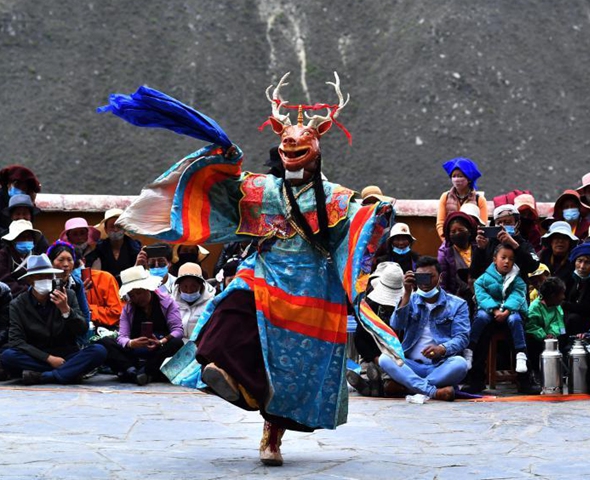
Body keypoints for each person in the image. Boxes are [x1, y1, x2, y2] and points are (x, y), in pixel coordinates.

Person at [101, 77, 399, 465]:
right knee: (227, 313)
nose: (292, 147)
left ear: (316, 148)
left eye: (301, 143)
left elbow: (357, 229)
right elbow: (223, 189)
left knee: (291, 367)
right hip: (262, 271)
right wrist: (222, 159)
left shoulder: (337, 198)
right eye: (287, 142)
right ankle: (222, 373)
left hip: (310, 287)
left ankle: (270, 436)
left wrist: (377, 213)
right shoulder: (262, 189)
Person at [0, 254, 106, 384]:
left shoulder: (68, 295)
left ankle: (45, 376)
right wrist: (49, 358)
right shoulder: (18, 304)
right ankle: (70, 372)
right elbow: (17, 341)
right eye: (40, 276)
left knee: (98, 351)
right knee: (8, 356)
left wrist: (66, 310)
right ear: (30, 280)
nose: (45, 279)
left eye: (49, 276)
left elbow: (82, 329)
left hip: (67, 354)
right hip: (37, 355)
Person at [377, 256, 469, 401]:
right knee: (385, 358)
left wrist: (442, 349)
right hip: (411, 364)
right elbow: (396, 325)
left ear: (440, 277)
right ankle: (434, 392)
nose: (425, 282)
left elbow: (462, 338)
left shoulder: (458, 304)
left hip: (440, 365)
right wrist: (406, 293)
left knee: (460, 364)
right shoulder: (409, 299)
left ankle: (409, 387)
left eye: (430, 277)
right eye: (421, 277)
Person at [99, 266, 184, 385]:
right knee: (104, 342)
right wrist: (131, 343)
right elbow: (122, 336)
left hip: (158, 351)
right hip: (134, 352)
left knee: (177, 343)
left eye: (139, 293)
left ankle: (138, 372)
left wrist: (161, 341)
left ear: (147, 288)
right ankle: (136, 373)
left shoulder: (168, 302)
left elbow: (178, 330)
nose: (137, 298)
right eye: (132, 295)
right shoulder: (128, 309)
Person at [346, 262, 405, 397]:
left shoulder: (406, 306)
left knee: (392, 383)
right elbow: (360, 338)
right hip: (371, 355)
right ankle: (371, 382)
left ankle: (373, 387)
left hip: (397, 357)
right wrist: (375, 358)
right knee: (368, 369)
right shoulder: (369, 307)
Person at [471, 244, 529, 377]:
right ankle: (470, 350)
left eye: (511, 259)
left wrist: (507, 311)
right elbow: (481, 295)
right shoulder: (484, 277)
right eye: (503, 257)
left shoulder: (517, 278)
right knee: (480, 318)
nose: (507, 261)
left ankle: (521, 355)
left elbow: (517, 295)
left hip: (510, 313)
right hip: (490, 312)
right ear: (494, 259)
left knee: (516, 320)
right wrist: (495, 310)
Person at [471, 205, 540, 281]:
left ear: (518, 223)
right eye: (499, 222)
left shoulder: (524, 245)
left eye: (507, 222)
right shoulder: (488, 243)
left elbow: (533, 267)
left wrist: (514, 245)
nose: (502, 226)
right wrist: (480, 249)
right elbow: (474, 273)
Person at [525, 277, 567, 390]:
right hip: (538, 339)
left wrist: (552, 334)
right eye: (561, 294)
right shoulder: (535, 307)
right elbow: (532, 326)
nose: (563, 297)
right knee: (533, 345)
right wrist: (543, 335)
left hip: (552, 338)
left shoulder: (557, 307)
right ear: (552, 296)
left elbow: (558, 323)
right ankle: (536, 372)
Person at [47, 241, 92, 337]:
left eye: (69, 260)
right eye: (61, 260)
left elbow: (85, 315)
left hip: (73, 331)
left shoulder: (77, 283)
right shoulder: (44, 283)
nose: (66, 264)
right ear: (51, 263)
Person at [85, 208, 142, 285]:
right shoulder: (99, 248)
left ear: (124, 228)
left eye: (119, 226)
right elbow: (89, 266)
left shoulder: (134, 247)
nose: (115, 230)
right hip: (105, 288)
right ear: (106, 229)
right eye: (112, 226)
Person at [436, 157, 487, 240]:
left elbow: (483, 225)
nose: (456, 179)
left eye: (460, 176)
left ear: (469, 179)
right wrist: (446, 241)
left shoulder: (479, 199)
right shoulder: (445, 197)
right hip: (450, 241)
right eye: (454, 176)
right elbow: (440, 223)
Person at [563, 242, 590, 335]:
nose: (582, 267)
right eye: (579, 261)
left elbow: (589, 308)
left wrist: (563, 304)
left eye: (587, 262)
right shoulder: (569, 278)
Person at [438, 211, 478, 308]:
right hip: (456, 299)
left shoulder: (478, 247)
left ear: (469, 230)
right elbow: (442, 283)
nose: (457, 233)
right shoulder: (444, 253)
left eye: (461, 230)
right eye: (453, 232)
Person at [0, 219, 46, 297]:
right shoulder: (3, 255)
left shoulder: (37, 257)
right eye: (21, 237)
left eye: (29, 237)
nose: (26, 240)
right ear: (13, 240)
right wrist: (29, 292)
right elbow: (5, 281)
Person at [172, 262, 215, 340]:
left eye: (194, 286)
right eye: (184, 287)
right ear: (178, 286)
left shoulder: (211, 304)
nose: (189, 290)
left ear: (201, 285)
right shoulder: (171, 302)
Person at [82, 264, 123, 330]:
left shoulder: (104, 278)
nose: (66, 265)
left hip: (106, 330)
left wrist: (88, 309)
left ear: (83, 261)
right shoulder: (63, 284)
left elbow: (116, 313)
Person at [0, 165, 41, 229]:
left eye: (23, 188)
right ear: (8, 184)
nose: (20, 190)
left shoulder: (26, 203)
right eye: (17, 186)